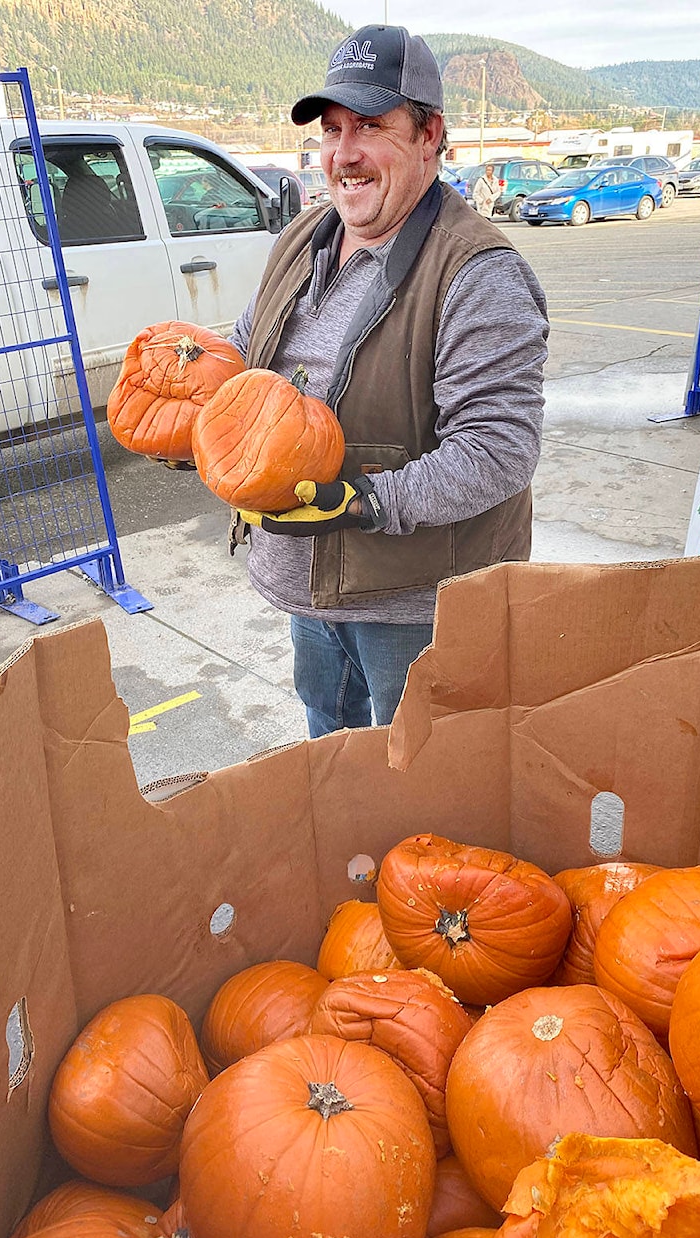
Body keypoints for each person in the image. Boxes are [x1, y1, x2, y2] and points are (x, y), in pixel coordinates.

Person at [225, 24, 548, 739]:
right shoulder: (300, 240)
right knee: (331, 753)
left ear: (430, 135)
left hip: (414, 603)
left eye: (370, 125)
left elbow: (499, 450)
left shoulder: (476, 274)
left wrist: (367, 501)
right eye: (332, 129)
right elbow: (248, 349)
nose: (344, 154)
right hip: (310, 583)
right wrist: (199, 407)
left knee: (425, 782)